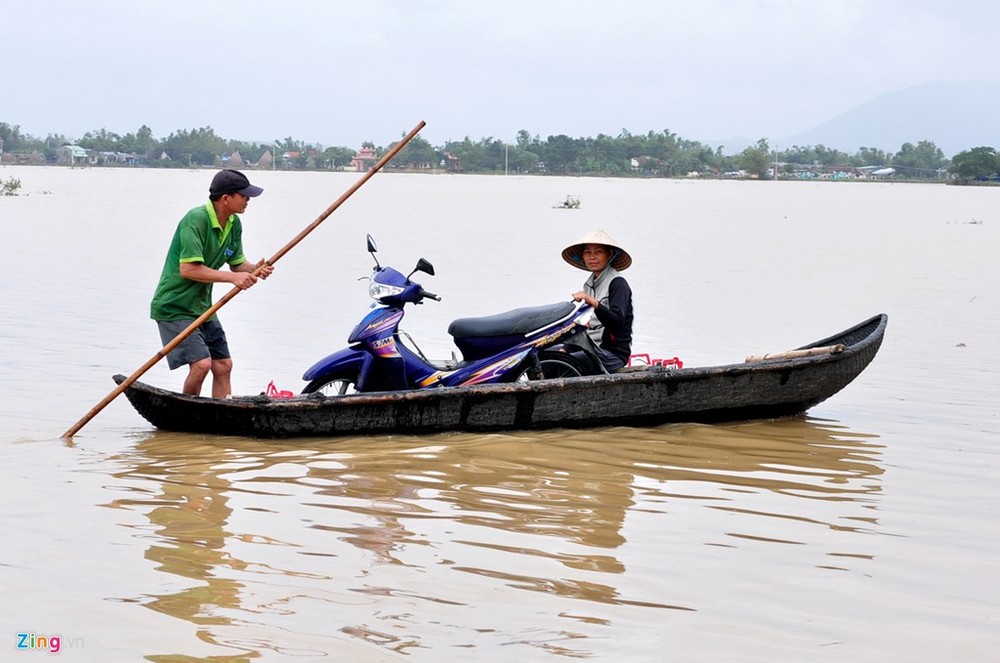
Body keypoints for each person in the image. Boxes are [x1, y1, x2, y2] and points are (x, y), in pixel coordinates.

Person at [150, 169, 274, 397]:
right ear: (226, 198)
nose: (248, 200)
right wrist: (233, 278)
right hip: (174, 306)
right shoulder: (196, 220)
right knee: (202, 364)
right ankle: (188, 414)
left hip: (202, 307)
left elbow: (236, 263)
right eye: (244, 196)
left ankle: (222, 414)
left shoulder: (234, 223)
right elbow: (188, 269)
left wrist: (255, 268)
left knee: (223, 365)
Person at [561, 229, 634, 372]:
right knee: (543, 356)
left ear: (610, 255)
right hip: (590, 347)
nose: (592, 257)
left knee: (559, 364)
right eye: (587, 252)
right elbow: (584, 325)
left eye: (598, 252)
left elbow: (617, 324)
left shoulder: (618, 283)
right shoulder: (589, 284)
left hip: (611, 353)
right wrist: (566, 348)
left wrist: (593, 302)